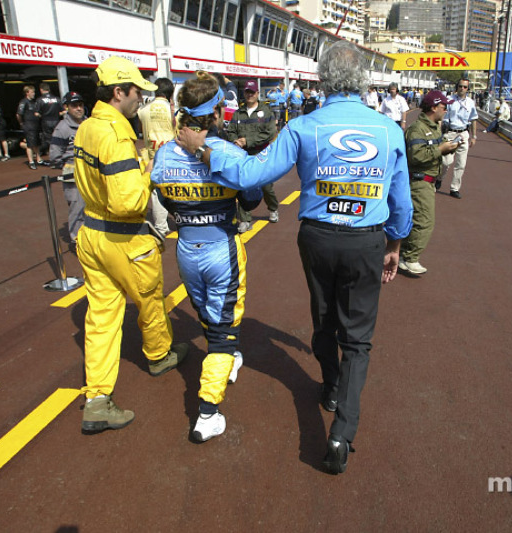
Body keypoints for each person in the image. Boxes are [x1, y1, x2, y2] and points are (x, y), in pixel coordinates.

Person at [177, 40, 413, 475]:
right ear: (363, 81)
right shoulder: (388, 129)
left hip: (319, 238)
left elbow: (252, 173)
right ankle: (341, 432)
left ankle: (330, 387)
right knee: (358, 339)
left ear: (322, 80)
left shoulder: (303, 126)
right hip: (366, 239)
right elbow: (402, 201)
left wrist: (201, 149)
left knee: (324, 319)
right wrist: (395, 244)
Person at [73, 56, 189, 434]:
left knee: (101, 317)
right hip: (123, 237)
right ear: (119, 92)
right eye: (136, 90)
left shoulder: (87, 127)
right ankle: (159, 355)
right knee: (149, 299)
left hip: (92, 234)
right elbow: (129, 203)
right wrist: (148, 172)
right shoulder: (116, 135)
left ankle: (96, 399)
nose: (141, 97)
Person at [151, 72, 262, 442]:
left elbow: (165, 198)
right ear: (215, 111)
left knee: (209, 316)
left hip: (186, 249)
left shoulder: (164, 152)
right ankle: (207, 413)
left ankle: (227, 358)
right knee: (222, 335)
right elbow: (251, 199)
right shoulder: (228, 152)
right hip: (221, 249)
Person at [400, 91, 461, 276]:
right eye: (444, 107)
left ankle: (404, 254)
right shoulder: (418, 129)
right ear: (434, 107)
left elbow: (434, 149)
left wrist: (449, 147)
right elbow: (416, 156)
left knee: (415, 220)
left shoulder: (433, 127)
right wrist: (440, 149)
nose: (446, 110)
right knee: (425, 221)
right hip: (419, 180)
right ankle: (410, 258)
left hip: (427, 180)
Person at [226, 80, 279, 229]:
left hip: (262, 154)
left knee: (266, 187)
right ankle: (245, 219)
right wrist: (235, 142)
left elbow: (270, 133)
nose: (249, 95)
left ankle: (273, 208)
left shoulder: (266, 112)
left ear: (257, 93)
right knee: (244, 186)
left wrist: (247, 141)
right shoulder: (238, 113)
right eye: (247, 92)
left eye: (252, 92)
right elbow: (230, 131)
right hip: (243, 155)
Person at [137, 77, 177, 236]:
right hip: (171, 154)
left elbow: (140, 129)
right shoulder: (173, 109)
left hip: (151, 154)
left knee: (155, 192)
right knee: (175, 189)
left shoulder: (143, 109)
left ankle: (161, 226)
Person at [50, 91, 87, 245]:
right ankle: (77, 240)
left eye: (80, 105)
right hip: (73, 173)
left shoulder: (88, 123)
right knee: (76, 207)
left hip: (90, 172)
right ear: (66, 107)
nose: (78, 108)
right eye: (74, 106)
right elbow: (55, 156)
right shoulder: (62, 128)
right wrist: (69, 167)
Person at [436, 78, 478, 199]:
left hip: (463, 134)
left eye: (465, 87)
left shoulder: (470, 103)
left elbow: (473, 119)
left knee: (461, 163)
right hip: (450, 133)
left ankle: (454, 188)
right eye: (460, 86)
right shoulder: (449, 101)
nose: (462, 89)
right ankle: (439, 178)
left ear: (467, 89)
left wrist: (474, 136)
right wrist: (439, 132)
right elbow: (442, 117)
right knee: (446, 161)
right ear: (456, 87)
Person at [16, 85, 43, 169]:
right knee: (30, 144)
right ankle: (31, 161)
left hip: (35, 125)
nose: (34, 94)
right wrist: (21, 123)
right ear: (27, 93)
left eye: (34, 92)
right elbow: (18, 114)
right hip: (28, 125)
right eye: (32, 92)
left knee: (36, 143)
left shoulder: (34, 102)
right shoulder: (24, 102)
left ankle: (39, 159)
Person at [36, 82, 63, 162]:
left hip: (46, 121)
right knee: (58, 138)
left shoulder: (40, 100)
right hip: (56, 121)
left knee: (49, 141)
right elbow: (64, 111)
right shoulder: (57, 99)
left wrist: (42, 116)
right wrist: (57, 114)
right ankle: (59, 156)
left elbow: (37, 113)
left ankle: (52, 157)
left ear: (41, 90)